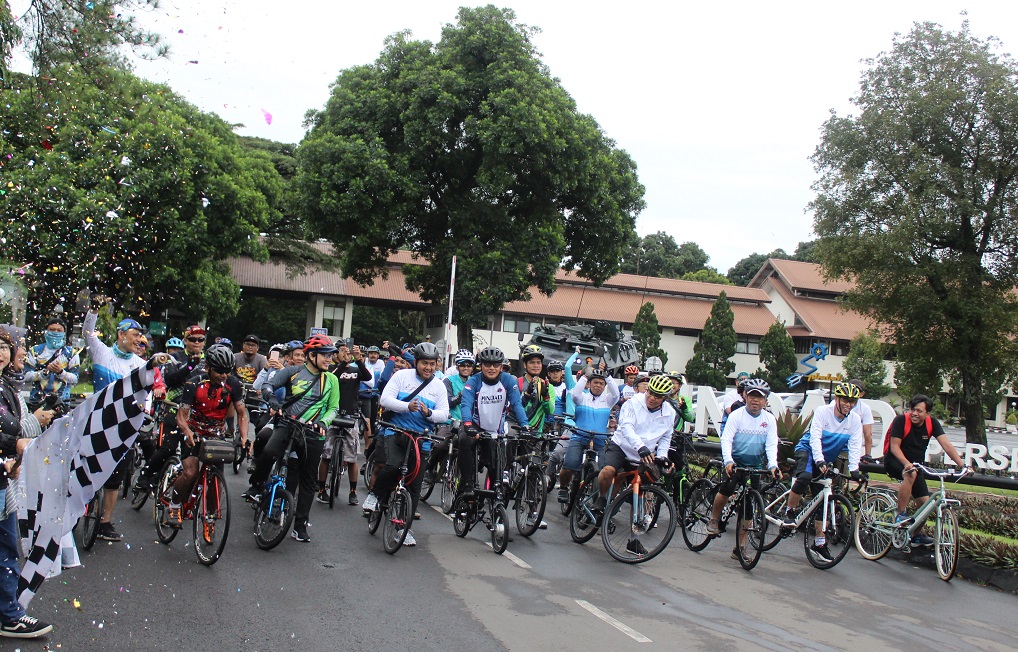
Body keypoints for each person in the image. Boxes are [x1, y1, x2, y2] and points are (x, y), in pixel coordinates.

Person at [248, 334, 340, 543]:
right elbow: (268, 386)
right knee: (270, 452)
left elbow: (333, 408)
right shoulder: (292, 372)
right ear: (311, 355)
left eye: (331, 356)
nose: (329, 360)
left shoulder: (332, 380)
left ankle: (300, 525)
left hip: (313, 432)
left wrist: (323, 423)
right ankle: (256, 485)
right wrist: (271, 399)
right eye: (325, 355)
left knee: (308, 480)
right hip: (288, 424)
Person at [0, 329, 54, 639]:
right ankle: (9, 615)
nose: (3, 353)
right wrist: (15, 444)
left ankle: (9, 613)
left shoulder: (6, 387)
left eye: (5, 347)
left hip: (3, 480)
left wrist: (12, 455)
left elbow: (15, 428)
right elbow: (15, 431)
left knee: (6, 546)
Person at [372, 342, 449, 547]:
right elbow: (385, 400)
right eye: (425, 363)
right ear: (416, 362)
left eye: (432, 364)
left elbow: (444, 413)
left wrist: (429, 413)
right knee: (393, 466)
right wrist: (407, 406)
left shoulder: (439, 386)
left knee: (414, 486)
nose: (428, 368)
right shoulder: (401, 377)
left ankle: (403, 529)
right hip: (395, 432)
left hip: (421, 439)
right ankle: (376, 495)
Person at [83, 301, 148, 542]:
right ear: (121, 334)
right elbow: (88, 332)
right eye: (135, 334)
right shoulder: (102, 352)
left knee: (114, 479)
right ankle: (77, 509)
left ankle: (105, 522)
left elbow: (147, 393)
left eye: (141, 336)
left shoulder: (140, 364)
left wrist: (146, 408)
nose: (139, 339)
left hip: (123, 428)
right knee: (87, 470)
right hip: (96, 422)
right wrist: (94, 310)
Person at [781, 382, 864, 563]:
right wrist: (818, 460)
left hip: (826, 459)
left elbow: (856, 446)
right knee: (805, 477)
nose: (848, 404)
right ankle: (789, 512)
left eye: (852, 401)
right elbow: (816, 438)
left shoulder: (855, 420)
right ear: (837, 399)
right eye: (845, 400)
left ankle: (819, 543)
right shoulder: (822, 412)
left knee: (823, 500)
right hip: (809, 450)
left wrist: (855, 469)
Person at [593, 374, 676, 554]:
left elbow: (665, 438)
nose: (652, 398)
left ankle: (634, 540)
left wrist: (662, 456)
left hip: (643, 454)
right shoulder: (633, 402)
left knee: (640, 495)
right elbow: (627, 427)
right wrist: (641, 447)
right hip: (623, 445)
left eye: (658, 396)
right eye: (650, 393)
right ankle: (601, 497)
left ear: (665, 398)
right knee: (608, 471)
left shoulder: (669, 413)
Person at [168, 345, 249, 528]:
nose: (224, 375)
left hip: (216, 434)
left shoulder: (233, 384)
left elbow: (242, 414)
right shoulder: (194, 384)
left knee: (215, 480)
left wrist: (243, 436)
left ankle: (210, 515)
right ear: (208, 368)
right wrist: (188, 432)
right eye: (219, 371)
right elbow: (181, 416)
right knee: (191, 473)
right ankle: (173, 505)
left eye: (227, 371)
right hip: (194, 430)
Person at [707, 378, 780, 560]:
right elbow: (726, 439)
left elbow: (771, 445)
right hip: (736, 462)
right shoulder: (736, 416)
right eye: (752, 395)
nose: (756, 400)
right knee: (726, 490)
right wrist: (728, 461)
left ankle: (740, 548)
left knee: (749, 508)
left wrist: (773, 465)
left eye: (760, 397)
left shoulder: (769, 419)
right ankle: (714, 519)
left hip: (755, 466)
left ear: (766, 400)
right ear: (746, 396)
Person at [885, 394, 966, 546]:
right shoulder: (901, 420)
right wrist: (906, 463)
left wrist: (962, 465)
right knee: (910, 474)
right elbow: (894, 447)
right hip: (895, 461)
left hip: (916, 465)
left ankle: (916, 535)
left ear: (927, 414)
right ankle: (901, 515)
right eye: (913, 410)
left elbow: (946, 445)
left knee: (926, 504)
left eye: (919, 411)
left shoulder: (932, 423)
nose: (914, 413)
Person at [457, 347, 529, 497]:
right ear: (480, 366)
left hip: (495, 431)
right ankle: (467, 484)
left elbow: (517, 404)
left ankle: (495, 503)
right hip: (474, 426)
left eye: (495, 365)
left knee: (496, 469)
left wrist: (525, 425)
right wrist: (468, 425)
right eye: (487, 364)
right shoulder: (473, 381)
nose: (491, 368)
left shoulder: (508, 380)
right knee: (464, 440)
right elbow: (466, 404)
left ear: (501, 366)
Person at [318, 340, 372, 506]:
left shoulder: (356, 370)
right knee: (326, 454)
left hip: (351, 415)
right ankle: (321, 489)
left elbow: (368, 377)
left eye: (347, 351)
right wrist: (343, 364)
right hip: (331, 414)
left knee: (352, 457)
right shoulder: (331, 370)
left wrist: (358, 360)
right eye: (341, 351)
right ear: (335, 354)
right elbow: (333, 377)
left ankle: (352, 491)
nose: (345, 353)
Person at [557, 366, 619, 503]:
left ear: (604, 386)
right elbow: (575, 393)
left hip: (599, 440)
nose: (598, 386)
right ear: (589, 384)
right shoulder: (582, 398)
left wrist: (608, 376)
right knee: (569, 467)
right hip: (579, 437)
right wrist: (585, 376)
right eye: (595, 383)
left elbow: (616, 394)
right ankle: (563, 487)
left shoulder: (607, 401)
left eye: (601, 384)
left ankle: (599, 498)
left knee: (602, 471)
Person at [426, 350, 475, 479]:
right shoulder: (448, 381)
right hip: (449, 421)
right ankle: (429, 467)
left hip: (466, 424)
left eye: (469, 365)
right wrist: (460, 396)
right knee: (440, 444)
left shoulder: (475, 382)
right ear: (457, 366)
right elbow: (446, 401)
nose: (466, 368)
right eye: (463, 365)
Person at [24, 317, 80, 409]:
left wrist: (61, 373)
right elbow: (26, 376)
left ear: (63, 333)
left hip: (62, 403)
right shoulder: (35, 351)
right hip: (37, 402)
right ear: (46, 331)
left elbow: (75, 379)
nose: (55, 333)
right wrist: (43, 373)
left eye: (59, 330)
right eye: (52, 330)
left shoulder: (72, 353)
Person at [518, 345, 554, 434]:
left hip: (536, 434)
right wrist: (527, 394)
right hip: (516, 430)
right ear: (525, 365)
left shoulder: (548, 386)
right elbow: (514, 408)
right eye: (532, 362)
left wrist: (546, 397)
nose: (536, 366)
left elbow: (550, 411)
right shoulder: (517, 383)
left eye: (538, 362)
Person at [848, 378, 876, 459]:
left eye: (856, 390)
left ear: (862, 394)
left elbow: (867, 434)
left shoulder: (864, 408)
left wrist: (868, 454)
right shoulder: (836, 403)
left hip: (852, 445)